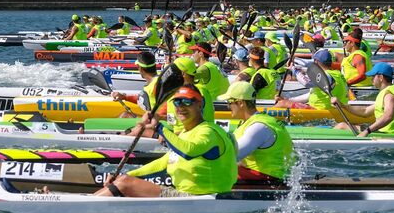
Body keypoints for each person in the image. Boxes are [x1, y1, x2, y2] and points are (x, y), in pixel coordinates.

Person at [96, 86, 237, 198]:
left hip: (203, 198)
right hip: (186, 196)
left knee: (125, 184)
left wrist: (158, 127)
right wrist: (126, 175)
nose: (181, 106)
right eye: (177, 102)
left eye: (187, 101)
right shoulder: (185, 133)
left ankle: (86, 207)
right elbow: (163, 163)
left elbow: (188, 151)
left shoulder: (209, 132)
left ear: (199, 105)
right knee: (124, 180)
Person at [225, 81, 294, 183]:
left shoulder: (258, 127)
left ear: (240, 103)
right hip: (262, 175)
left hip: (269, 179)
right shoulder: (253, 121)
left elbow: (232, 155)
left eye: (229, 102)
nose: (227, 106)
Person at [334, 63, 394, 136]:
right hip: (390, 131)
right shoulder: (393, 90)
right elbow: (365, 111)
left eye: (373, 77)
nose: (371, 80)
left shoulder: (389, 95)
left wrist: (367, 131)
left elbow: (388, 116)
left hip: (391, 134)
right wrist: (342, 105)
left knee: (342, 126)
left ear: (381, 77)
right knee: (342, 125)